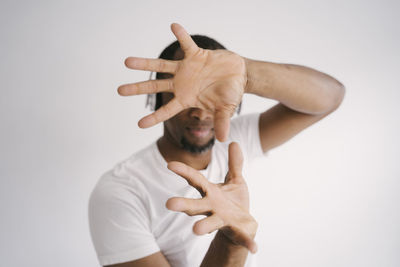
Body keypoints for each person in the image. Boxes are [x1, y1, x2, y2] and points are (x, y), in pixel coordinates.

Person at [88, 23, 345, 267]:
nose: (201, 113)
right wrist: (231, 242)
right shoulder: (120, 191)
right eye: (186, 93)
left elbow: (330, 97)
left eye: (214, 92)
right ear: (158, 97)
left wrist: (247, 74)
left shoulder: (236, 140)